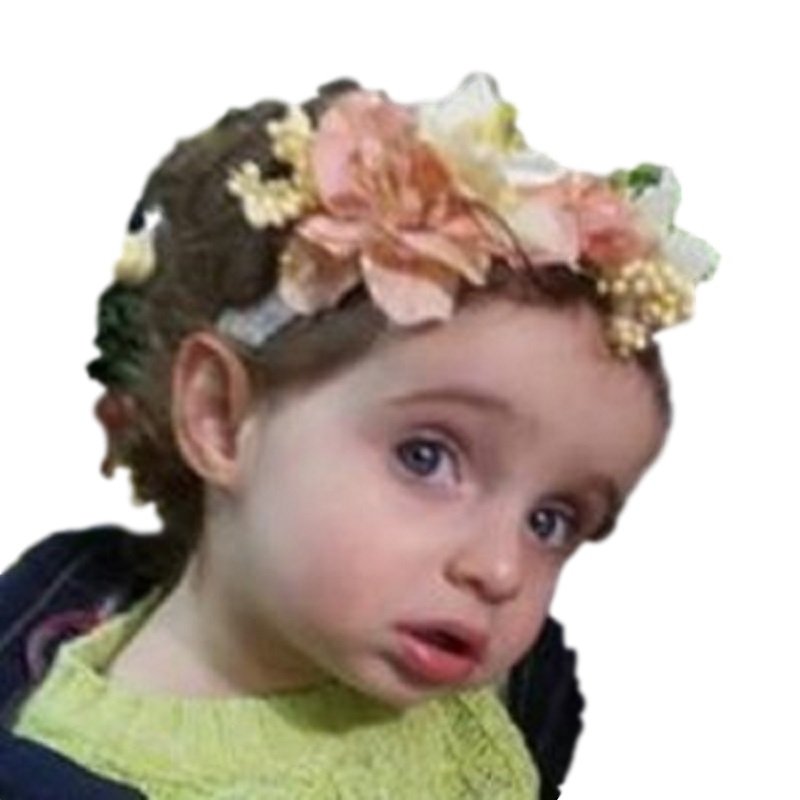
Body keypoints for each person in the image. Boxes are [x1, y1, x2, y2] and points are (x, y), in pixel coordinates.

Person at [0, 73, 718, 799]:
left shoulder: (475, 695)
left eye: (550, 520)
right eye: (426, 457)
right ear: (221, 417)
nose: (501, 571)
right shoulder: (76, 779)